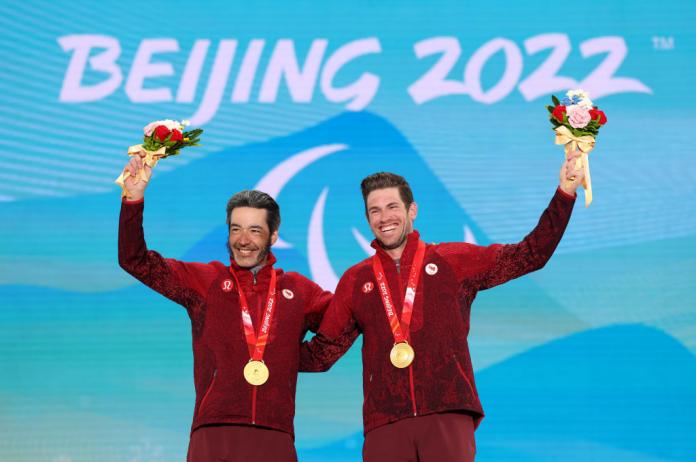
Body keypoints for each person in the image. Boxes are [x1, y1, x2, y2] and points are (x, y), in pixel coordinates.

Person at [299, 152, 585, 461]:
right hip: (386, 422)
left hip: (447, 412)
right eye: (375, 211)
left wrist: (565, 192)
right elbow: (323, 353)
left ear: (412, 211)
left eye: (393, 207)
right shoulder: (357, 280)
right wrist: (252, 356)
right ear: (368, 220)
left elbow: (529, 255)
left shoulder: (452, 261)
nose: (385, 218)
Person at [118, 154, 331, 462]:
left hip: (275, 436)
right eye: (235, 229)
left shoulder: (298, 291)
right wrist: (133, 200)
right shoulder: (206, 282)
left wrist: (298, 358)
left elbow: (347, 319)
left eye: (255, 230)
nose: (243, 240)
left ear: (273, 235)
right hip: (213, 434)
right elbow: (135, 262)